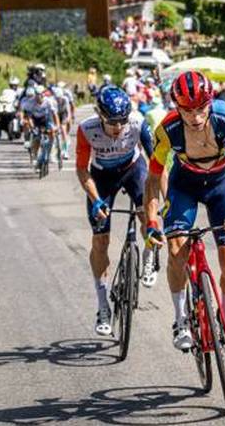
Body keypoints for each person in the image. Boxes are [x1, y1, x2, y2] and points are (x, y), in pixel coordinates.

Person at [145, 71, 225, 358]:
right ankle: (181, 318)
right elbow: (152, 177)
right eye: (187, 110)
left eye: (201, 109)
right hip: (185, 185)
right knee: (176, 250)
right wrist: (151, 221)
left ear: (210, 102)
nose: (195, 117)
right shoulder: (167, 129)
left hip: (222, 185)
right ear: (177, 107)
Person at [78, 87, 158, 336]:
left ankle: (149, 254)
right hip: (102, 176)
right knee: (100, 240)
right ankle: (103, 305)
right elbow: (82, 170)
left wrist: (161, 198)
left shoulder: (137, 123)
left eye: (122, 120)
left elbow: (157, 164)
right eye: (112, 122)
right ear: (100, 116)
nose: (119, 127)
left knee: (147, 210)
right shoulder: (87, 129)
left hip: (133, 169)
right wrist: (96, 200)